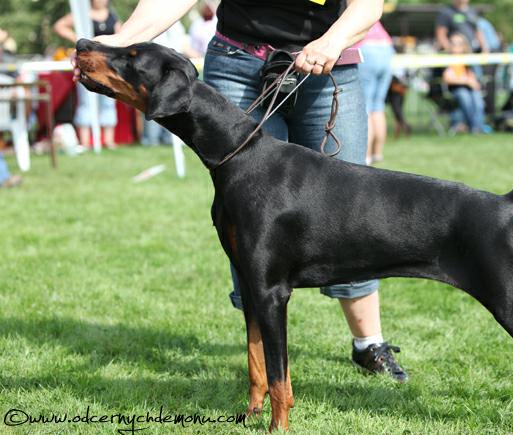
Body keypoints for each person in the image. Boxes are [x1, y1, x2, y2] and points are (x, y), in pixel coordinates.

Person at [78, 0, 407, 382]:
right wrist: (121, 40)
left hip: (329, 61)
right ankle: (262, 376)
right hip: (238, 63)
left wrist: (332, 40)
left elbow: (367, 6)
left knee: (350, 213)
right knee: (249, 218)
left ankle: (369, 343)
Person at [54, 0, 121, 149]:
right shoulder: (82, 14)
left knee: (109, 100)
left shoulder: (112, 15)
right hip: (88, 62)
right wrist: (79, 39)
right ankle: (85, 141)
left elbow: (121, 35)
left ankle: (108, 140)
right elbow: (60, 26)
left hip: (108, 63)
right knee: (87, 100)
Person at [357, 21, 394, 165]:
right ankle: (377, 154)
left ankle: (365, 157)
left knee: (364, 106)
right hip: (387, 48)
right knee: (378, 106)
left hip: (365, 48)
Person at [443, 34, 489, 134]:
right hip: (455, 89)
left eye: (459, 43)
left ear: (464, 46)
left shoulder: (468, 60)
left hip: (469, 88)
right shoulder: (445, 59)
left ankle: (477, 127)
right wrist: (466, 81)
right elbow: (447, 78)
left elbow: (473, 77)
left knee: (477, 98)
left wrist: (472, 82)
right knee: (464, 96)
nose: (456, 46)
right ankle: (472, 126)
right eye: (453, 43)